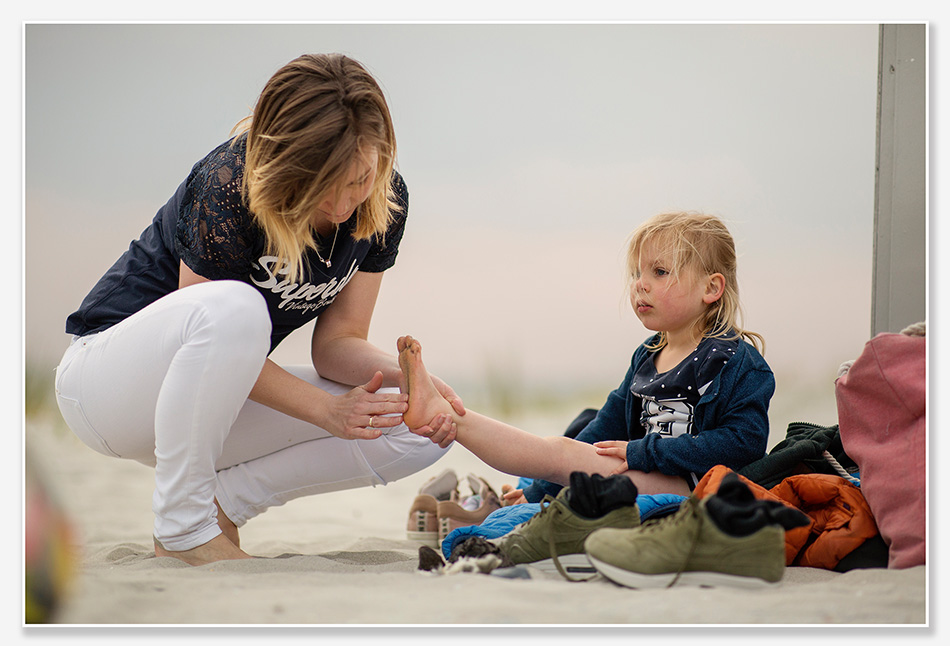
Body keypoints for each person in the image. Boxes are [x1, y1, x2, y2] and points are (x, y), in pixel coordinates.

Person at [53, 54, 461, 566]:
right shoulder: (228, 183)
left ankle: (225, 504)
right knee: (237, 307)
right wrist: (324, 410)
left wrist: (419, 381)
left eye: (357, 181)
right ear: (285, 164)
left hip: (211, 400)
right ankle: (183, 526)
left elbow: (338, 346)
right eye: (323, 186)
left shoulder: (383, 200)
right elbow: (215, 328)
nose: (341, 206)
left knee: (416, 430)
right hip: (107, 387)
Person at [398, 211, 774, 501]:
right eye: (636, 273)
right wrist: (539, 490)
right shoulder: (648, 355)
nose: (640, 284)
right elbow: (602, 432)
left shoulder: (739, 363)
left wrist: (645, 452)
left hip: (695, 490)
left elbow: (744, 443)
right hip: (641, 474)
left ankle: (447, 417)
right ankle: (491, 457)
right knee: (571, 443)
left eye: (659, 272)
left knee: (574, 463)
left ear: (712, 287)